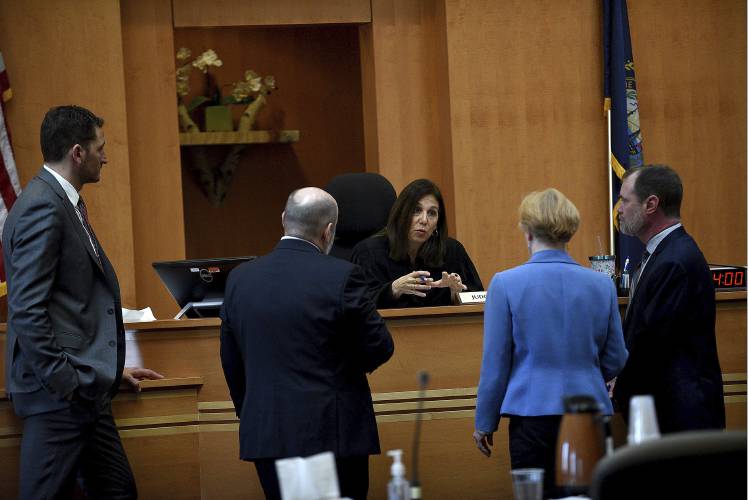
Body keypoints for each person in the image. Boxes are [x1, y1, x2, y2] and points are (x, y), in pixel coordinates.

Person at [2, 105, 163, 499]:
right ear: (78, 152)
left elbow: (67, 304)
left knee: (118, 491)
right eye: (100, 148)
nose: (105, 156)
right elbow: (26, 310)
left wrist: (104, 373)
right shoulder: (44, 206)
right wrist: (67, 382)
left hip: (85, 389)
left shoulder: (61, 202)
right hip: (59, 396)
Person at [219, 187, 394, 500]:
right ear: (328, 232)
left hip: (266, 431)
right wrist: (343, 369)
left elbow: (231, 359)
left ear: (284, 219)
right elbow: (380, 346)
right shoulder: (343, 276)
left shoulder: (240, 279)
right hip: (329, 431)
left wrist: (254, 409)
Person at [472, 188, 628, 497]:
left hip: (531, 418)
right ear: (569, 231)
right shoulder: (601, 285)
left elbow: (496, 363)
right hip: (590, 417)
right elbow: (616, 359)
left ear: (527, 232)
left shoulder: (505, 284)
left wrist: (485, 422)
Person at [612, 165, 725, 432]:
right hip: (672, 411)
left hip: (681, 417)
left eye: (625, 200)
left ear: (651, 204)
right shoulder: (665, 254)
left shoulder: (674, 262)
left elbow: (652, 344)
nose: (619, 209)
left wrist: (619, 384)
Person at [351, 178, 483, 308]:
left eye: (432, 213)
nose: (424, 220)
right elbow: (355, 307)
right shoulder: (369, 253)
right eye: (416, 210)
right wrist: (393, 289)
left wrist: (457, 295)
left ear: (438, 222)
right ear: (401, 214)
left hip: (442, 328)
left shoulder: (452, 252)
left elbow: (481, 301)